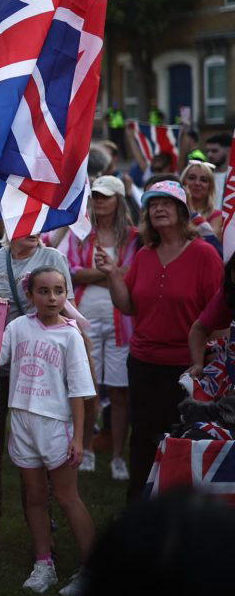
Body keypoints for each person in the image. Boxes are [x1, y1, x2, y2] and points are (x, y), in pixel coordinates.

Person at [96, 179, 223, 502]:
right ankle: (139, 503)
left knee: (181, 439)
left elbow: (220, 315)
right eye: (153, 204)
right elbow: (127, 306)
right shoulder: (144, 255)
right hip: (142, 361)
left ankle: (178, 507)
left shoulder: (204, 255)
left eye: (166, 203)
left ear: (182, 211)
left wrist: (213, 364)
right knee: (142, 437)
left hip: (187, 368)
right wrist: (112, 274)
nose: (159, 209)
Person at [0, 231, 74, 544]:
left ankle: (41, 520)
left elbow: (65, 308)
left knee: (38, 446)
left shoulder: (52, 258)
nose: (32, 232)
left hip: (36, 373)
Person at [0, 267, 96, 596]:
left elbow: (79, 391)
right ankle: (44, 564)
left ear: (66, 295)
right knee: (36, 499)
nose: (52, 298)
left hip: (57, 425)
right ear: (30, 296)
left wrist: (79, 438)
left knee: (68, 497)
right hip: (23, 422)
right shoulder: (17, 327)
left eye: (58, 291)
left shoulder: (70, 336)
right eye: (44, 291)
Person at [67, 175, 140, 481]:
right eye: (95, 196)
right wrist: (109, 273)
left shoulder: (134, 237)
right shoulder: (81, 233)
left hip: (121, 322)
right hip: (86, 318)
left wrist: (99, 273)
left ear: (118, 200)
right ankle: (87, 448)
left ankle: (118, 457)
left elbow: (133, 274)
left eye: (105, 196)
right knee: (88, 389)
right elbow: (71, 272)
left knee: (120, 390)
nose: (99, 201)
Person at [181, 159, 220, 234]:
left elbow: (211, 239)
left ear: (210, 186)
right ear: (183, 182)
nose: (197, 183)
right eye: (192, 178)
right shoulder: (174, 212)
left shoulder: (217, 216)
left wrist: (190, 208)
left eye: (204, 180)